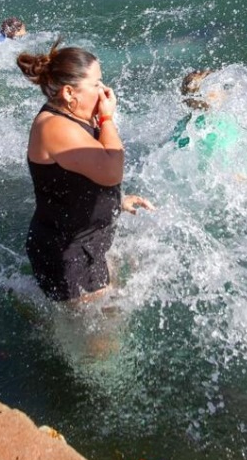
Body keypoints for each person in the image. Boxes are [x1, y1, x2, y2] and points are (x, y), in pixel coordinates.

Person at [16, 41, 152, 302]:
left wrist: (116, 203)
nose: (105, 90)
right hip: (70, 254)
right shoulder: (55, 127)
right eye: (96, 84)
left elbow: (77, 178)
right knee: (104, 337)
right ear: (69, 93)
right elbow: (112, 171)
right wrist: (107, 119)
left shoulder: (76, 118)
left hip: (83, 242)